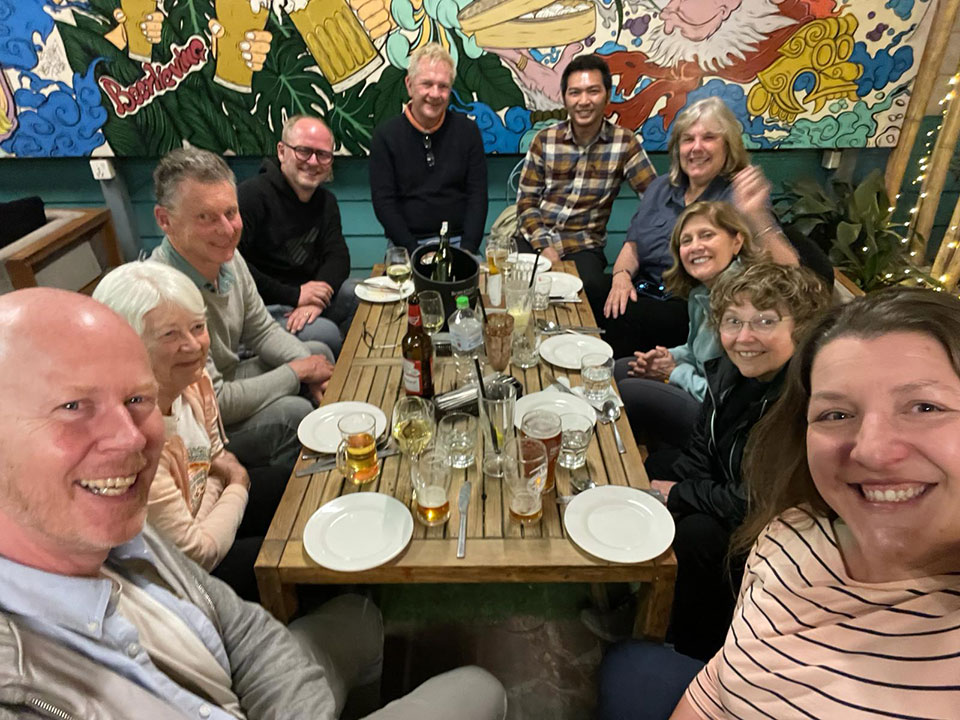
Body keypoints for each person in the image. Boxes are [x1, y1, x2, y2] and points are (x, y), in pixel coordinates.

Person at [0, 287, 508, 720]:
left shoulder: (115, 534)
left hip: (233, 685)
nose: (130, 439)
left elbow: (240, 627)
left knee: (359, 614)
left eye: (138, 400)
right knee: (483, 688)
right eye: (72, 408)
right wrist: (236, 481)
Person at [597, 286, 960, 719]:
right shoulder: (793, 530)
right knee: (625, 661)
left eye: (924, 407)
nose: (872, 451)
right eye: (837, 414)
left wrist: (679, 494)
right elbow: (722, 676)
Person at [588, 263, 828, 655]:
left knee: (696, 534)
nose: (744, 337)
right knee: (655, 469)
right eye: (733, 321)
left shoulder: (800, 402)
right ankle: (640, 590)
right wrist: (672, 489)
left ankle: (690, 645)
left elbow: (756, 501)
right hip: (727, 487)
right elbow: (703, 441)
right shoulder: (729, 371)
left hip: (769, 528)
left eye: (765, 321)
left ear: (798, 328)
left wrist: (681, 496)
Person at [93, 262, 288, 601]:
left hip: (201, 514)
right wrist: (237, 486)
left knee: (289, 485)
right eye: (170, 335)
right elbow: (197, 554)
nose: (195, 346)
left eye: (198, 327)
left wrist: (216, 497)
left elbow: (215, 457)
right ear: (126, 346)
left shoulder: (194, 381)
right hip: (176, 579)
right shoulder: (130, 445)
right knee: (281, 559)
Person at [149, 147, 334, 471]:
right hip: (193, 424)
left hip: (229, 377)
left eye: (231, 213)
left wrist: (309, 369)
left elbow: (261, 329)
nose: (226, 230)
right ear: (165, 220)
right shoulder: (165, 293)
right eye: (205, 217)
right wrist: (298, 372)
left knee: (317, 351)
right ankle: (286, 496)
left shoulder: (229, 258)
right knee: (293, 414)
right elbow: (215, 401)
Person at [603, 97, 827, 358]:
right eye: (688, 139)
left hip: (694, 306)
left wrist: (758, 217)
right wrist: (620, 276)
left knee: (619, 320)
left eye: (708, 138)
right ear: (677, 148)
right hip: (642, 288)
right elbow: (633, 243)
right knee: (592, 293)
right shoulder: (660, 187)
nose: (696, 148)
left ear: (727, 146)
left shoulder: (740, 196)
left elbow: (789, 275)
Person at [613, 201, 783, 455]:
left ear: (736, 242)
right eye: (687, 240)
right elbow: (695, 350)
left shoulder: (746, 303)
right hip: (702, 387)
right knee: (621, 368)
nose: (696, 246)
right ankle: (644, 455)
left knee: (630, 392)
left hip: (725, 419)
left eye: (707, 235)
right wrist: (667, 357)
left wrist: (674, 372)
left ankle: (631, 464)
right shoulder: (702, 293)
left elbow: (730, 397)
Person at [515, 53, 656, 317]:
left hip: (584, 246)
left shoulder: (624, 144)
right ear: (564, 97)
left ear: (607, 95)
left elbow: (655, 202)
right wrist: (545, 247)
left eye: (592, 91)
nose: (583, 101)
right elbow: (526, 203)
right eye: (575, 93)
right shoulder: (545, 140)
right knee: (517, 295)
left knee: (585, 297)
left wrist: (632, 250)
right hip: (535, 238)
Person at [238, 114, 360, 357]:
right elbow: (236, 267)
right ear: (282, 152)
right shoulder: (251, 196)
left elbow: (338, 257)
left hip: (306, 302)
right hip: (265, 310)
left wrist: (314, 298)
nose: (313, 162)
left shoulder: (326, 201)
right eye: (304, 151)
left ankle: (338, 372)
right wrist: (296, 295)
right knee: (326, 335)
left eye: (323, 154)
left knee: (359, 293)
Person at [370, 42, 488, 253]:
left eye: (443, 86)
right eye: (427, 84)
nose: (435, 94)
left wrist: (468, 250)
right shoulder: (385, 136)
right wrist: (413, 250)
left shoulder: (468, 131)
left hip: (459, 242)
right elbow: (384, 204)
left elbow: (477, 196)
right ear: (409, 85)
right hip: (406, 246)